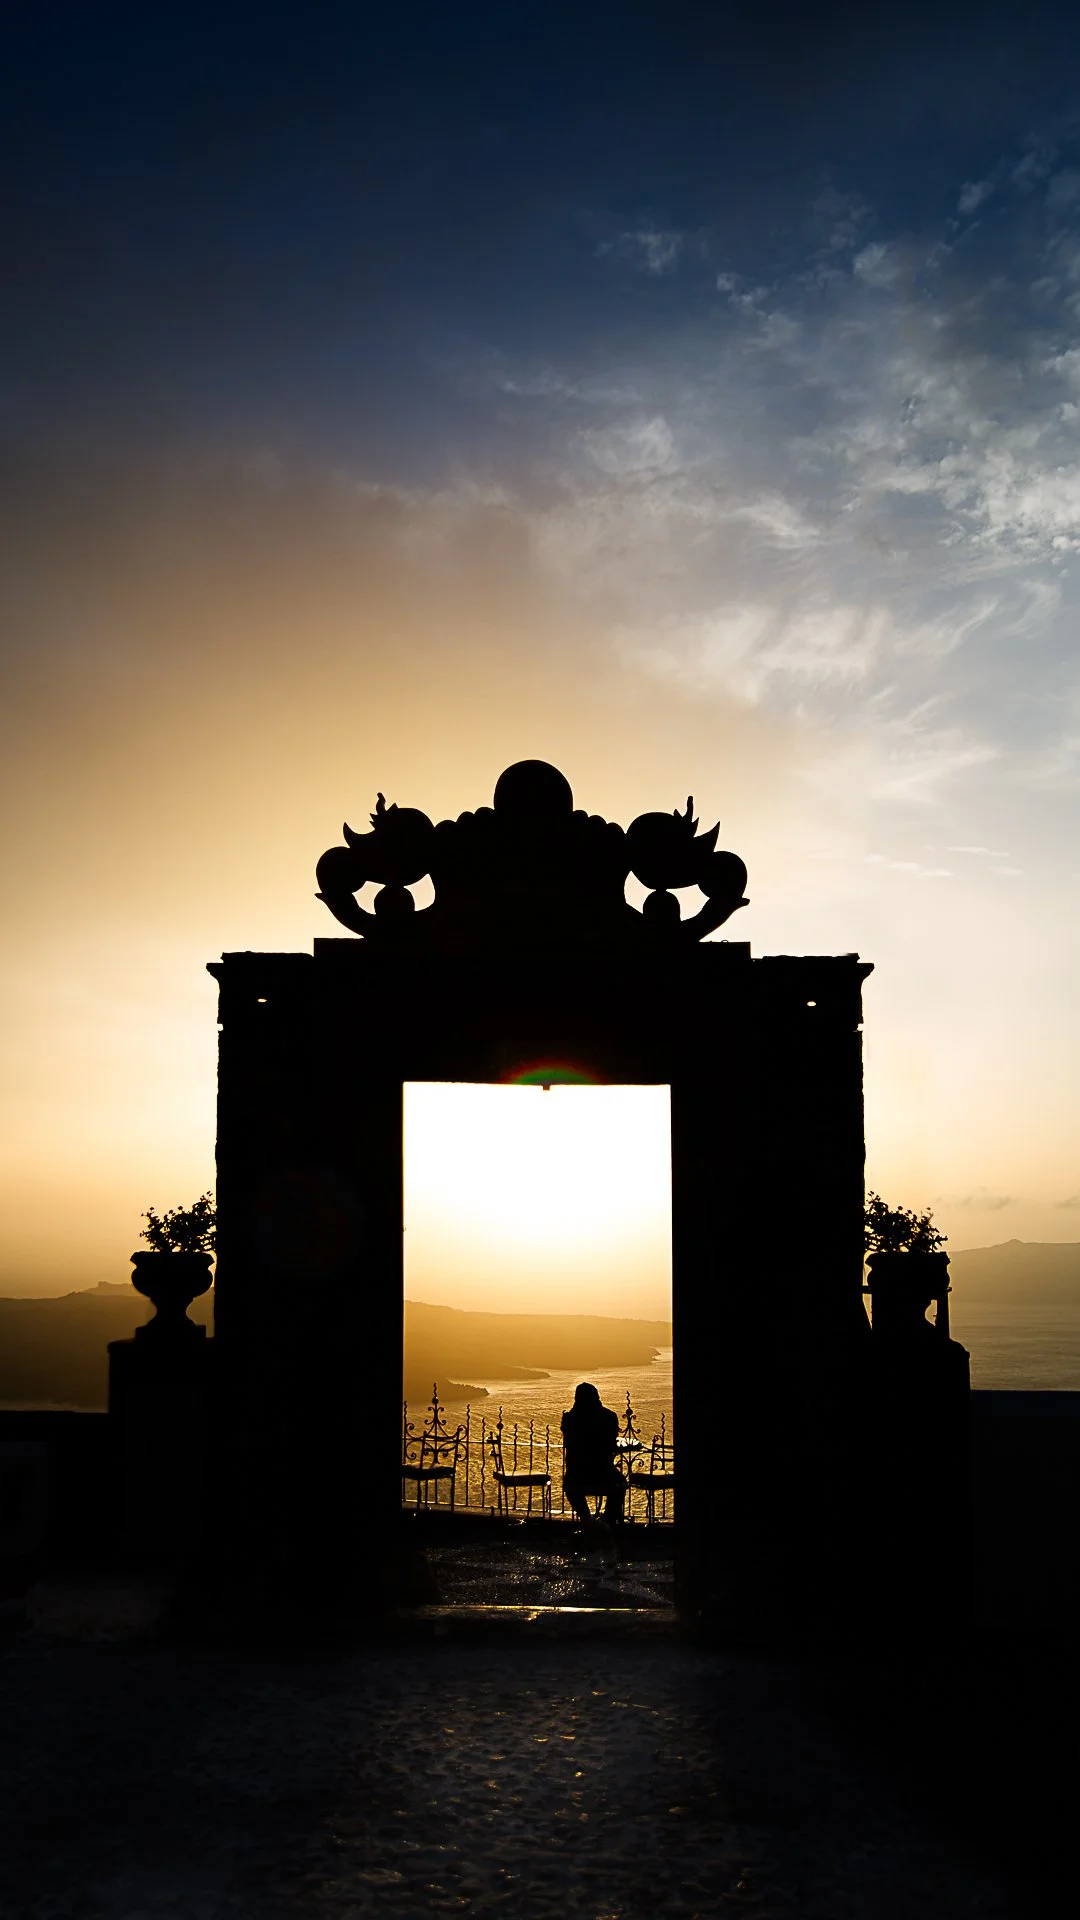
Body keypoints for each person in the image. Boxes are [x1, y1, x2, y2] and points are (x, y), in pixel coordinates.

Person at [560, 1382, 626, 1524]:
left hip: (577, 1474)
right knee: (620, 1484)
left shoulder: (569, 1419)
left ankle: (586, 1518)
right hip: (604, 1472)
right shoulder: (609, 1417)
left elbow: (569, 1441)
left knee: (569, 1485)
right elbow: (611, 1442)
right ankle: (608, 1518)